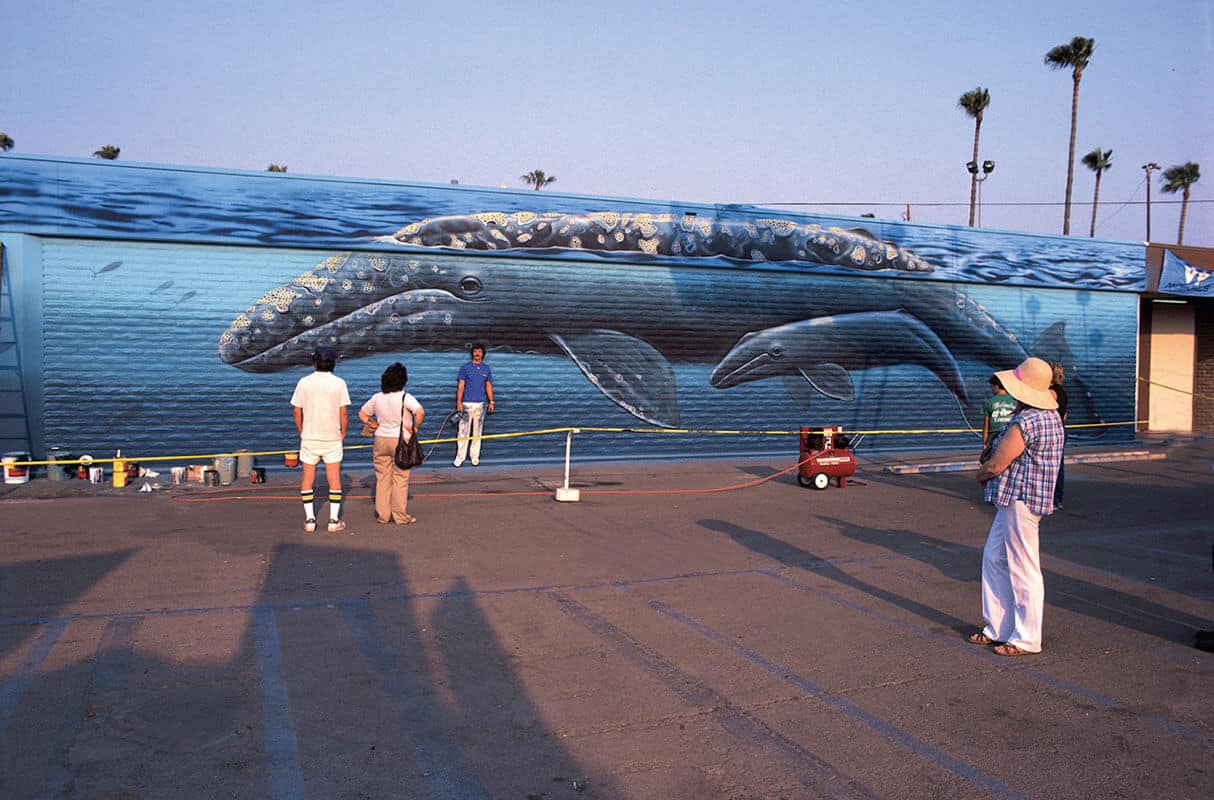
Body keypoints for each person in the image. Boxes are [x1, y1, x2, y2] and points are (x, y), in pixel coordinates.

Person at [970, 357, 1065, 656]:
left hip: (1019, 500)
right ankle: (998, 627)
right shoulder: (1051, 417)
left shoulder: (1027, 421)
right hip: (1024, 500)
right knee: (994, 558)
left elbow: (997, 464)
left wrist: (980, 474)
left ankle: (1026, 637)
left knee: (1023, 568)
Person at [290, 345, 350, 533]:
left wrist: (301, 430)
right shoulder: (339, 383)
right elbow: (344, 412)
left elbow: (297, 410)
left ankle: (309, 519)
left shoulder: (304, 382)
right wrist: (343, 433)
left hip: (309, 437)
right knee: (334, 478)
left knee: (308, 477)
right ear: (333, 363)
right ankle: (333, 520)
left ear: (315, 362)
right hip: (332, 437)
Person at [358, 362, 425, 525]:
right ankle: (400, 516)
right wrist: (415, 427)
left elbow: (362, 413)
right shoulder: (405, 397)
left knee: (382, 478)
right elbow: (420, 411)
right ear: (403, 380)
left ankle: (383, 515)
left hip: (381, 439)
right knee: (400, 478)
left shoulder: (377, 398)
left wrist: (371, 423)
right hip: (400, 440)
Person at [453, 342, 495, 467]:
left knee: (477, 432)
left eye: (480, 351)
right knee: (463, 431)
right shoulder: (465, 368)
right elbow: (461, 385)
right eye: (475, 351)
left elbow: (488, 385)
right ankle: (460, 457)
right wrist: (459, 402)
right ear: (472, 353)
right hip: (466, 404)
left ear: (483, 354)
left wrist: (491, 401)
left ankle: (474, 457)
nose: (477, 353)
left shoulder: (486, 369)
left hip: (480, 405)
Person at [981, 374, 1017, 459]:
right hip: (1010, 434)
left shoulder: (989, 403)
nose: (992, 389)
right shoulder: (1015, 401)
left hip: (994, 436)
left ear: (996, 386)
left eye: (992, 387)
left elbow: (986, 426)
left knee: (993, 460)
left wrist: (984, 443)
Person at [1049, 361, 1069, 510]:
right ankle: (1058, 499)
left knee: (1050, 465)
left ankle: (1053, 498)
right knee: (1058, 465)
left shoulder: (1051, 393)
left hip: (1052, 429)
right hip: (1061, 428)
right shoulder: (1062, 392)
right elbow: (1065, 414)